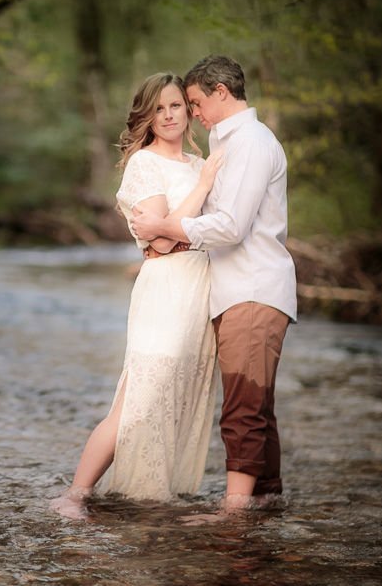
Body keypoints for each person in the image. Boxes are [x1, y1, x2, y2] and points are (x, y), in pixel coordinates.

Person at [50, 72, 224, 519]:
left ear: (189, 111)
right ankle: (75, 494)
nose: (168, 115)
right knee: (139, 399)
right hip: (166, 290)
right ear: (146, 115)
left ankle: (152, 496)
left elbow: (189, 230)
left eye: (176, 106)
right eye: (159, 108)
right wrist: (203, 187)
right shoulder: (146, 164)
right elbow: (162, 244)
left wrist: (197, 191)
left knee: (173, 395)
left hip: (198, 292)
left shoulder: (193, 161)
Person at [130, 55, 297, 514]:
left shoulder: (251, 144)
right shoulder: (230, 145)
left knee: (243, 407)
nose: (193, 113)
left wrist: (165, 227)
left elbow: (230, 227)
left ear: (222, 92)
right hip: (239, 291)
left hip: (253, 289)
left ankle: (233, 514)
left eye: (196, 102)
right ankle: (266, 503)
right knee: (256, 404)